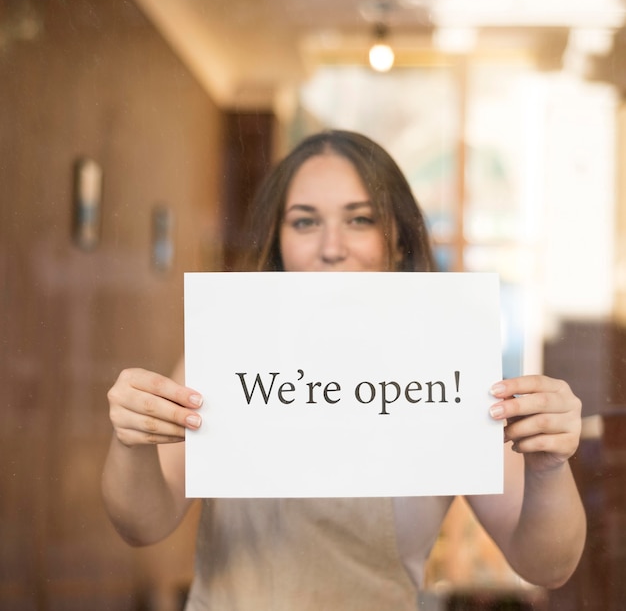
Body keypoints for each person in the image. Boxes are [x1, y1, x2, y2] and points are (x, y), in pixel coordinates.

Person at [102, 130, 586, 610]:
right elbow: (143, 524)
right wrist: (132, 440)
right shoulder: (231, 349)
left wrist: (549, 466)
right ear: (279, 243)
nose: (331, 247)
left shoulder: (446, 368)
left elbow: (546, 566)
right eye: (305, 222)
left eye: (360, 219)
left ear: (398, 240)